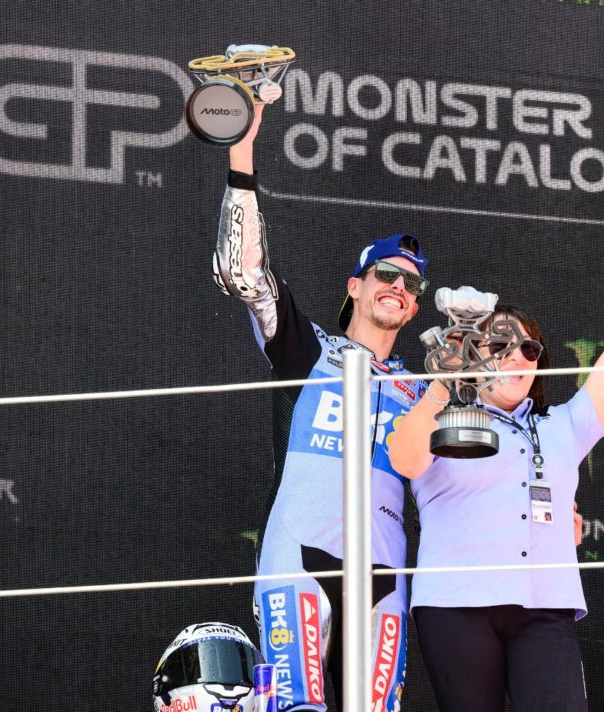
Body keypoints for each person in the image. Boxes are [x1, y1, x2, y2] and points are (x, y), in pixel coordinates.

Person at [388, 193, 604, 712]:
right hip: (455, 604)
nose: (517, 357)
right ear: (473, 356)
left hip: (545, 608)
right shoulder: (443, 415)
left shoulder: (565, 424)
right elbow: (405, 462)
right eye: (500, 346)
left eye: (529, 349)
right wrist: (442, 387)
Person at [212, 103, 428, 711]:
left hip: (383, 576)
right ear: (355, 285)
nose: (399, 286)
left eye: (411, 285)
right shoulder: (309, 349)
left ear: (414, 309)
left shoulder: (424, 390)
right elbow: (244, 274)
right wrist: (241, 151)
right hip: (297, 557)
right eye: (386, 273)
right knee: (296, 707)